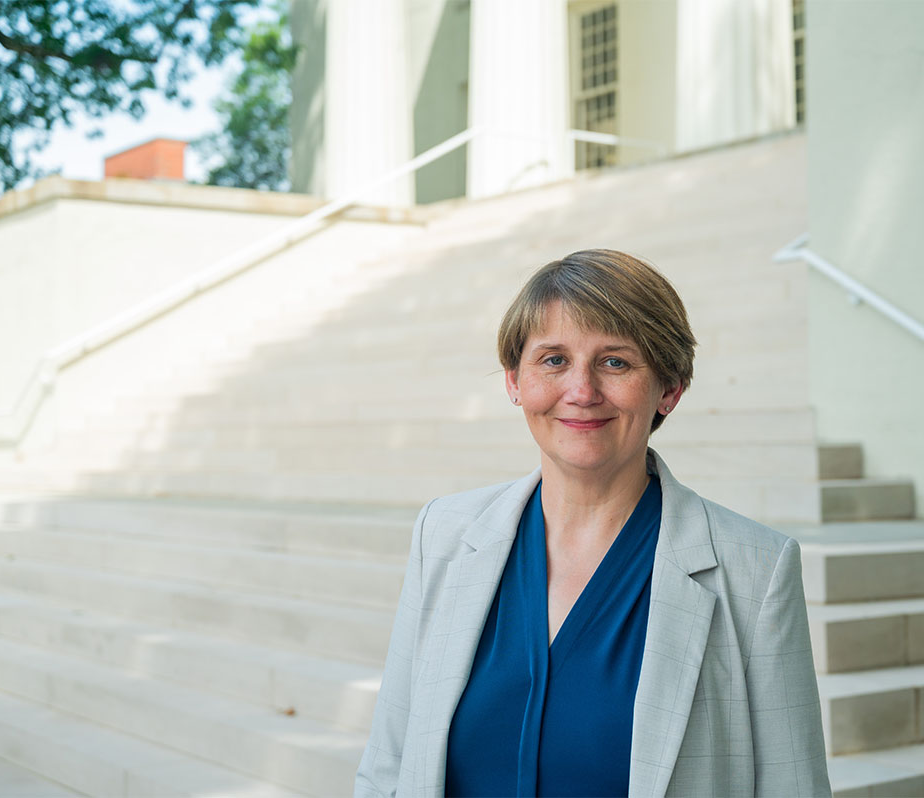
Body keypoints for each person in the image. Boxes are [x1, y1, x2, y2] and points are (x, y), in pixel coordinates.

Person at [354, 249, 831, 797]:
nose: (581, 391)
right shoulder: (443, 534)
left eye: (615, 362)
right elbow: (388, 765)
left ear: (670, 389)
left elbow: (793, 787)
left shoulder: (756, 570)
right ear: (514, 381)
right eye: (553, 360)